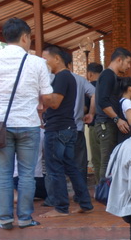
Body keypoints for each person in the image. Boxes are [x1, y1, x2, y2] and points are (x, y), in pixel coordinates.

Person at [0, 18, 54, 230]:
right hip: (28, 124)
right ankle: (25, 218)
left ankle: (5, 219)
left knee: (3, 174)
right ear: (25, 37)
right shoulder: (37, 63)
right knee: (27, 174)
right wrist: (38, 104)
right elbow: (47, 96)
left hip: (1, 124)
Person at [40, 45, 93, 218]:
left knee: (55, 169)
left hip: (58, 129)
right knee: (71, 167)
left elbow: (54, 103)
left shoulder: (62, 77)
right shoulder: (65, 77)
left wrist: (40, 91)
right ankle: (85, 202)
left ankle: (61, 207)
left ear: (56, 58)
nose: (44, 63)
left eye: (45, 58)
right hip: (68, 128)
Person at [94, 47, 131, 178]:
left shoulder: (113, 77)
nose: (128, 66)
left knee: (111, 160)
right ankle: (103, 193)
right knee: (107, 161)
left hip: (109, 123)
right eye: (127, 62)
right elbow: (103, 102)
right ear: (119, 60)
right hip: (106, 123)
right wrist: (117, 119)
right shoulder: (107, 75)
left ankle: (109, 193)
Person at [69, 62, 95, 188]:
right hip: (76, 127)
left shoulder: (51, 78)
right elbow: (94, 94)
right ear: (70, 64)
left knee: (55, 164)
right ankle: (81, 193)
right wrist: (91, 113)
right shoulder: (79, 79)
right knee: (79, 162)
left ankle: (56, 196)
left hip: (56, 127)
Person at [85, 62, 103, 184]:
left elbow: (85, 108)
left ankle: (101, 186)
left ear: (90, 74)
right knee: (107, 157)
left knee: (97, 159)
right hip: (108, 125)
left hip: (94, 125)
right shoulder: (107, 86)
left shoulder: (88, 87)